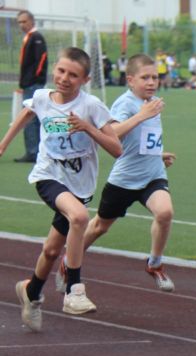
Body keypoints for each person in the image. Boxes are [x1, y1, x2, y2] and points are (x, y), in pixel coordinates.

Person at [0, 47, 122, 331]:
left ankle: (31, 292)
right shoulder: (43, 98)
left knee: (52, 250)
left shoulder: (91, 106)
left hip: (79, 185)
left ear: (85, 79)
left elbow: (116, 149)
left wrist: (88, 128)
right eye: (61, 71)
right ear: (54, 69)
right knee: (79, 217)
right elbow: (26, 113)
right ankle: (74, 291)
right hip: (48, 176)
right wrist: (3, 143)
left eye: (73, 75)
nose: (65, 78)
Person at [55, 53, 176, 294]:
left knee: (165, 213)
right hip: (124, 180)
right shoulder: (126, 103)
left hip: (153, 175)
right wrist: (142, 115)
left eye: (155, 77)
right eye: (145, 78)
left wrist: (157, 154)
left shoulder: (153, 103)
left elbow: (142, 138)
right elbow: (113, 134)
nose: (152, 82)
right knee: (99, 226)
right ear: (130, 80)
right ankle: (68, 262)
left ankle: (155, 264)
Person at [14, 10, 48, 164]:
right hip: (29, 84)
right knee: (32, 117)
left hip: (33, 84)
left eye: (24, 21)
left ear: (32, 21)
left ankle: (33, 152)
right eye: (19, 22)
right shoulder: (29, 37)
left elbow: (41, 59)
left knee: (30, 118)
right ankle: (36, 150)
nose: (22, 25)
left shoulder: (36, 37)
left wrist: (33, 79)